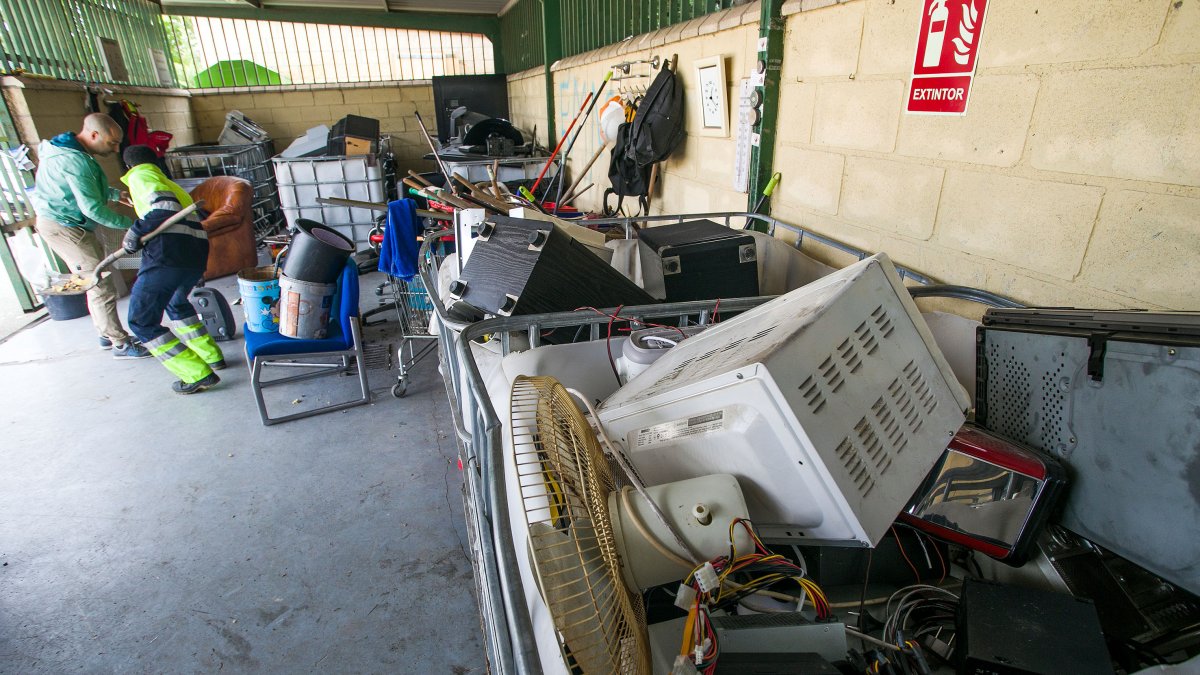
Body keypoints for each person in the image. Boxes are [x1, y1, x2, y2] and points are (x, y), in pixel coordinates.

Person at [30, 113, 149, 358]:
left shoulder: (67, 150)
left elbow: (85, 189)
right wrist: (135, 225)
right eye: (112, 143)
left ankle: (106, 333)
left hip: (66, 222)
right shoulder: (75, 161)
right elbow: (93, 209)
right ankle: (120, 343)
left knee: (96, 277)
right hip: (65, 226)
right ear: (94, 135)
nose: (116, 149)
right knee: (99, 282)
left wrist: (116, 195)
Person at [120, 145, 224, 394]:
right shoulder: (168, 181)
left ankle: (196, 374)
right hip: (194, 256)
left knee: (141, 321)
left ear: (127, 167)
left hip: (166, 256)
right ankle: (211, 355)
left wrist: (134, 232)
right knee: (177, 303)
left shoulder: (139, 174)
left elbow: (165, 207)